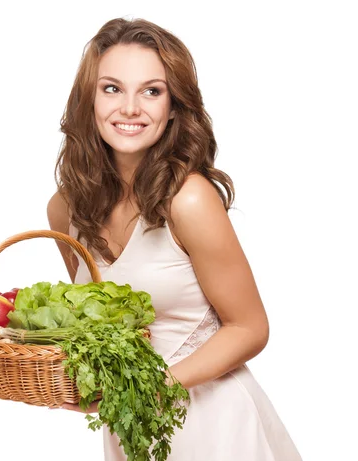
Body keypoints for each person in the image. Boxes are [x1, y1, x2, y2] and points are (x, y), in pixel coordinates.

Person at [47, 17, 302, 461]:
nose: (130, 108)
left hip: (215, 428)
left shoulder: (190, 199)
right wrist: (71, 386)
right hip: (133, 431)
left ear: (173, 106)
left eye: (151, 90)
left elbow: (250, 327)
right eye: (112, 88)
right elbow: (101, 329)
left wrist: (151, 389)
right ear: (88, 100)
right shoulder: (65, 209)